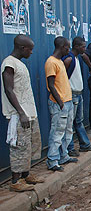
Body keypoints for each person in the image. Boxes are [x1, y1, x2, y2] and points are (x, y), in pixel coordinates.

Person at [1, 34, 44, 192]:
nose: (31, 52)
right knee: (19, 148)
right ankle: (15, 182)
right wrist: (21, 113)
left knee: (28, 146)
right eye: (30, 49)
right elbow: (8, 89)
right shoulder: (9, 64)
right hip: (19, 115)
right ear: (22, 48)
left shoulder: (19, 63)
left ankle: (26, 176)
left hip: (29, 113)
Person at [45, 36, 78, 172]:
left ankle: (64, 155)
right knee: (57, 132)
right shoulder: (51, 62)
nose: (69, 50)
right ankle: (52, 160)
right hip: (60, 103)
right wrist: (60, 102)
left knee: (67, 131)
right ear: (62, 46)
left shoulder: (59, 62)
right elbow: (51, 85)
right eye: (67, 47)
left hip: (67, 101)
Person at [62, 36, 91, 157]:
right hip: (72, 94)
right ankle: (70, 147)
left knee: (78, 121)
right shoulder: (69, 59)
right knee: (70, 122)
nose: (85, 48)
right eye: (83, 46)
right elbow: (63, 78)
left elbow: (85, 57)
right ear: (76, 46)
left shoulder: (77, 58)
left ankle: (84, 144)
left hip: (78, 94)